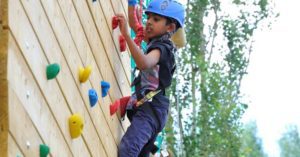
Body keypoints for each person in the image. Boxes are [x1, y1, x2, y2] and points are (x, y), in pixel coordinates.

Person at [116, 0, 185, 156]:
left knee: (128, 150)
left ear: (170, 27)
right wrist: (132, 3)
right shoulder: (156, 41)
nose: (149, 23)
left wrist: (126, 36)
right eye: (149, 18)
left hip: (151, 110)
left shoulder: (163, 48)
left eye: (156, 19)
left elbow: (144, 63)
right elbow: (135, 24)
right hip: (151, 108)